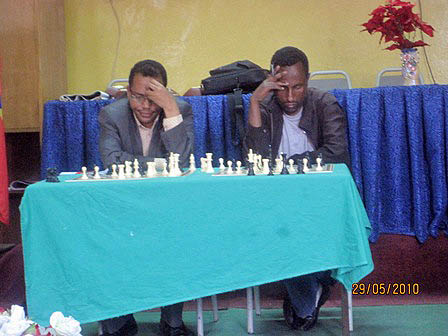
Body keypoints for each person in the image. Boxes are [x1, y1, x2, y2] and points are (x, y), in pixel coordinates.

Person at [244, 46, 350, 331]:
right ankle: (310, 292)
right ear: (272, 82)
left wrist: (291, 163)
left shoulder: (325, 103)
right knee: (282, 227)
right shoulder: (266, 107)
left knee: (303, 229)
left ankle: (307, 294)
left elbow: (338, 153)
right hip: (279, 203)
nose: (290, 97)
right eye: (283, 88)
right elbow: (255, 161)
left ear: (309, 80)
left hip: (321, 201)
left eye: (298, 87)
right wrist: (254, 101)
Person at [99, 60, 194, 336]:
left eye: (153, 98)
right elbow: (112, 161)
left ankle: (172, 322)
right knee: (108, 242)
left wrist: (171, 108)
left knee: (178, 239)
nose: (145, 106)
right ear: (128, 93)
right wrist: (162, 163)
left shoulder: (180, 110)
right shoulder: (111, 115)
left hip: (167, 209)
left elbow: (184, 162)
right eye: (139, 97)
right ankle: (120, 322)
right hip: (124, 209)